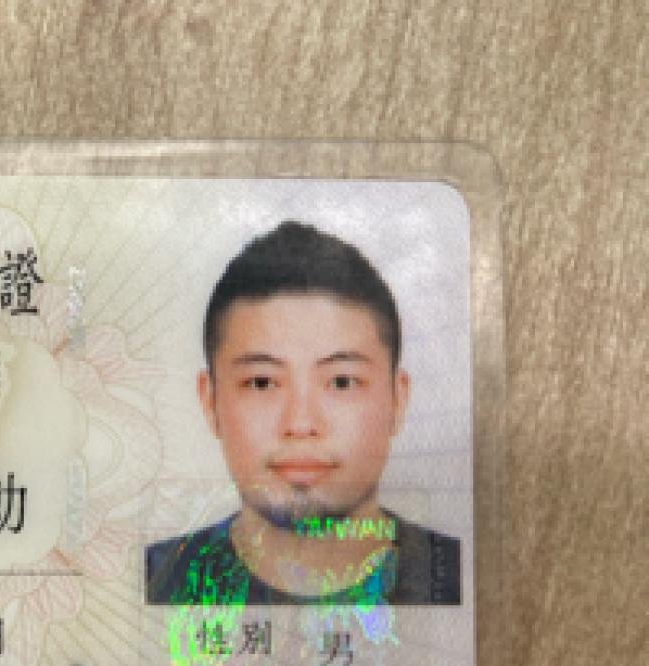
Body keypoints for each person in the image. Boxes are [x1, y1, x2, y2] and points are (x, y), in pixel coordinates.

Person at [145, 220, 461, 606]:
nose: (300, 424)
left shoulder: (462, 579)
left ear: (397, 400)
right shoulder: (151, 583)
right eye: (262, 383)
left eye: (341, 382)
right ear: (210, 402)